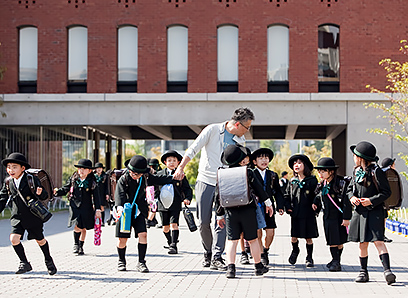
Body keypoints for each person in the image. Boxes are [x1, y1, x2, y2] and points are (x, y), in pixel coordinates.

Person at [173, 107, 255, 270]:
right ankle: (207, 252)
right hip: (205, 180)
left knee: (222, 221)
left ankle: (218, 256)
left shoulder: (241, 140)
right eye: (247, 127)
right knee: (203, 221)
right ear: (238, 124)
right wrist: (180, 167)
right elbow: (193, 149)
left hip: (226, 183)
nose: (248, 131)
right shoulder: (212, 129)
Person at [215, 144, 272, 278]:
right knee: (252, 240)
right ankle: (258, 266)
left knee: (232, 240)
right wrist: (268, 203)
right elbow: (258, 189)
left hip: (230, 211)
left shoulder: (222, 173)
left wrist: (219, 215)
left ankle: (231, 268)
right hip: (247, 210)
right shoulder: (247, 171)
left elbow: (218, 195)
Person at [0, 152, 57, 275]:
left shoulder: (31, 179)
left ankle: (48, 260)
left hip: (33, 216)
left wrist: (40, 193)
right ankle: (24, 263)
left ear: (23, 168)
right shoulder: (8, 182)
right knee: (14, 239)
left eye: (14, 167)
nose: (11, 170)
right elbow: (2, 198)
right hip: (17, 217)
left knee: (40, 240)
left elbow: (45, 195)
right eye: (9, 167)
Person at [114, 155, 174, 272]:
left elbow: (159, 179)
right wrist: (119, 207)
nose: (134, 175)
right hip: (125, 212)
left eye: (137, 173)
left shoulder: (145, 178)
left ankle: (141, 262)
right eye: (132, 172)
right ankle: (121, 260)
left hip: (139, 211)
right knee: (123, 239)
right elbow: (119, 195)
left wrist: (173, 178)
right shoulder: (123, 179)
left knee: (143, 235)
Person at [347, 141, 396, 285]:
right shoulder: (356, 171)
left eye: (355, 155)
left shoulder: (377, 171)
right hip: (360, 213)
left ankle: (388, 271)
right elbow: (350, 190)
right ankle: (363, 272)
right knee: (363, 243)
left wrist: (371, 200)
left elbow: (386, 192)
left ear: (361, 158)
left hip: (375, 212)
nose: (353, 157)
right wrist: (352, 198)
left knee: (378, 241)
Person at [54, 159, 102, 255]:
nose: (81, 171)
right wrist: (57, 192)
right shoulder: (73, 179)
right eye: (80, 168)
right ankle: (76, 244)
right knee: (77, 225)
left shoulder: (92, 181)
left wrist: (98, 209)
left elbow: (97, 197)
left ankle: (81, 246)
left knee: (83, 227)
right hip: (74, 206)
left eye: (84, 169)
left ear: (89, 171)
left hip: (86, 207)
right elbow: (65, 189)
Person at [314, 157, 352, 272]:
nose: (320, 173)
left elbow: (346, 202)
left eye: (323, 171)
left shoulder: (341, 183)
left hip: (340, 216)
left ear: (331, 172)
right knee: (332, 240)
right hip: (328, 217)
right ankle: (335, 260)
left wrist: (346, 218)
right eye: (319, 171)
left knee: (340, 240)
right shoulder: (322, 184)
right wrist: (315, 205)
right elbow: (318, 197)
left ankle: (336, 261)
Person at [284, 154, 320, 268]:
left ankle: (309, 257)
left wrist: (316, 203)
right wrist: (287, 206)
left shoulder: (312, 180)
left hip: (308, 213)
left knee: (308, 237)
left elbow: (318, 194)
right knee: (294, 236)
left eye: (299, 163)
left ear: (306, 165)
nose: (296, 165)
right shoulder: (292, 181)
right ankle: (295, 251)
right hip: (296, 213)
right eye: (295, 163)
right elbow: (287, 195)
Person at [251, 148, 284, 266]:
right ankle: (261, 255)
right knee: (258, 233)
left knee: (270, 232)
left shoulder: (273, 175)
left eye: (266, 158)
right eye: (260, 158)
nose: (264, 160)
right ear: (254, 161)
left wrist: (280, 206)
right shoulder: (251, 174)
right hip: (256, 207)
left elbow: (278, 192)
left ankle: (266, 249)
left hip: (269, 208)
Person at [156, 150, 192, 254]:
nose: (172, 162)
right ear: (165, 162)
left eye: (174, 160)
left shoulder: (180, 175)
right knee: (165, 227)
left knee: (174, 224)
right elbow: (153, 188)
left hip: (175, 203)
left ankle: (174, 245)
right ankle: (169, 241)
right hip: (162, 204)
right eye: (169, 160)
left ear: (178, 162)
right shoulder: (159, 174)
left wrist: (187, 198)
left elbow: (187, 189)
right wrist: (153, 199)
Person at [380, 157, 396, 243]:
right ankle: (381, 235)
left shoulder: (382, 172)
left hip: (382, 200)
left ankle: (381, 235)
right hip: (383, 201)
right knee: (383, 218)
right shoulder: (387, 173)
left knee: (384, 217)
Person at [146, 158, 161, 228]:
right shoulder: (159, 172)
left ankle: (149, 221)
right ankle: (151, 220)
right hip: (155, 192)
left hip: (152, 192)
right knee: (153, 207)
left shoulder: (149, 173)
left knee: (152, 207)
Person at [94, 162, 109, 227]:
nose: (99, 169)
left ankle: (102, 221)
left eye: (100, 168)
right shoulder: (93, 176)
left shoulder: (105, 176)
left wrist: (107, 194)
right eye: (97, 168)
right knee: (95, 207)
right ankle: (95, 221)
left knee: (102, 207)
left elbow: (107, 186)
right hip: (95, 193)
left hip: (102, 193)